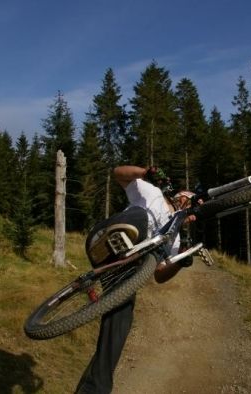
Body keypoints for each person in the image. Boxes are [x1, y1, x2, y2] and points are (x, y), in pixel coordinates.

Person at [75, 165, 198, 394]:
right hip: (106, 236)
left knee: (122, 316)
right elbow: (118, 174)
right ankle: (125, 234)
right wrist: (145, 172)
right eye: (191, 201)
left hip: (120, 266)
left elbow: (160, 274)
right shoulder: (153, 193)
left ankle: (94, 390)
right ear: (181, 195)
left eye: (194, 212)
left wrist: (179, 263)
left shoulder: (176, 239)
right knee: (141, 217)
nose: (191, 210)